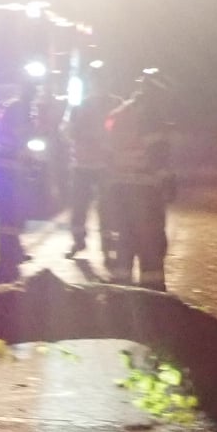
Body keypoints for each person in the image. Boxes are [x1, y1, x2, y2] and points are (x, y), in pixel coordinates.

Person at [104, 75, 175, 290]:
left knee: (125, 236)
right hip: (145, 187)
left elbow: (106, 147)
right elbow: (157, 153)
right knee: (151, 240)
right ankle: (152, 291)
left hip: (119, 185)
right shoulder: (151, 114)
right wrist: (167, 181)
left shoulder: (119, 113)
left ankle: (121, 287)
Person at [0, 82, 36, 284]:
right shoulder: (19, 110)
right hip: (10, 171)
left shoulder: (20, 109)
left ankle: (12, 254)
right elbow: (20, 137)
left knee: (13, 218)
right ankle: (7, 261)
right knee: (9, 219)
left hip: (12, 171)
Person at [64, 92, 109, 258]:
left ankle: (104, 243)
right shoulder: (79, 109)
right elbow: (68, 132)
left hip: (98, 166)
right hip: (88, 166)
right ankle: (81, 241)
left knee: (102, 207)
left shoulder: (80, 108)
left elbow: (68, 132)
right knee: (82, 207)